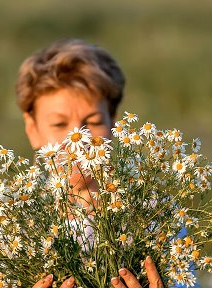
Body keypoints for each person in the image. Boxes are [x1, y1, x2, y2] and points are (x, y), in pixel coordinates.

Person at [16, 39, 164, 288]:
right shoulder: (12, 224)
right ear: (32, 129)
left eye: (93, 121)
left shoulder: (154, 215)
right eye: (59, 124)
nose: (79, 140)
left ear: (113, 121)